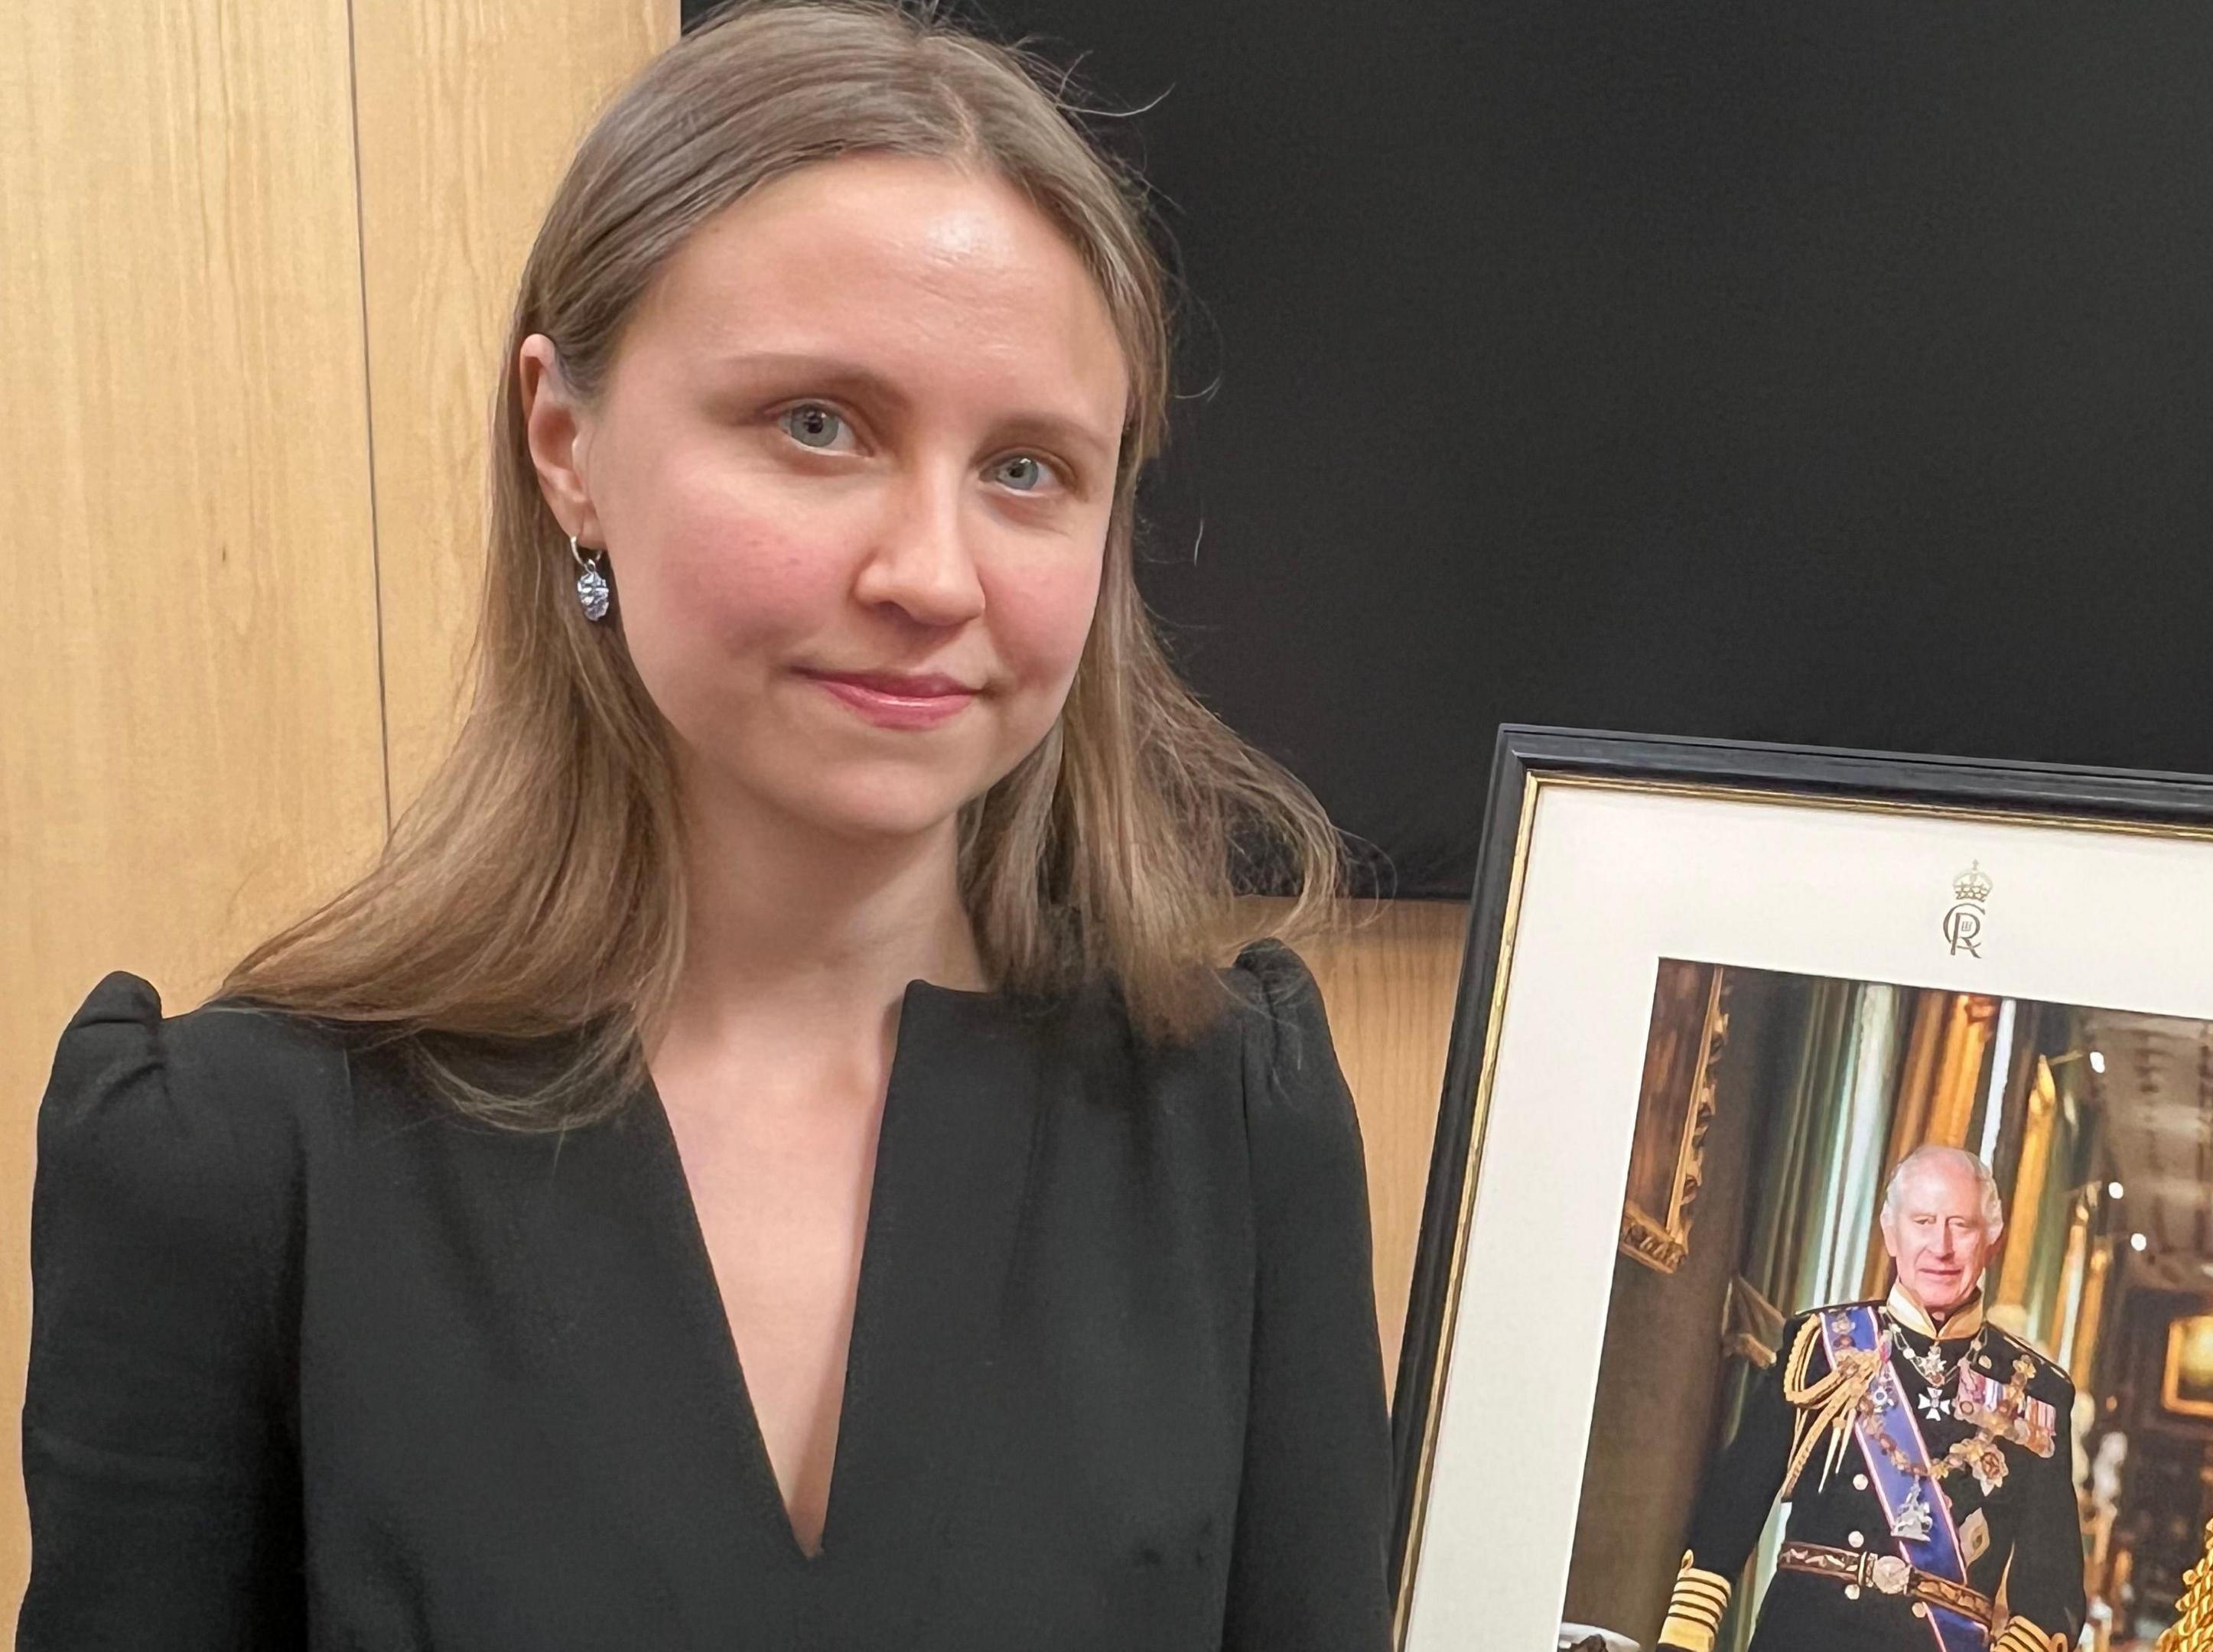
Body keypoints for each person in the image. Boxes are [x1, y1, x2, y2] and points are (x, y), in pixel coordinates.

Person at [18, 5, 1390, 1647]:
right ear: (565, 444)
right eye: (818, 425)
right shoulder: (230, 1163)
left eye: (1027, 468)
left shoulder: (1235, 1122)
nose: (932, 576)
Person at [1657, 1146, 2084, 1652]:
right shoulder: (1822, 1347)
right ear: (1891, 1234)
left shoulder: (2034, 1391)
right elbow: (1733, 1504)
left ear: (1993, 1240)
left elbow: (2051, 1590)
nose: (1940, 1247)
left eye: (1960, 1226)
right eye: (1923, 1221)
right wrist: (1686, 1635)